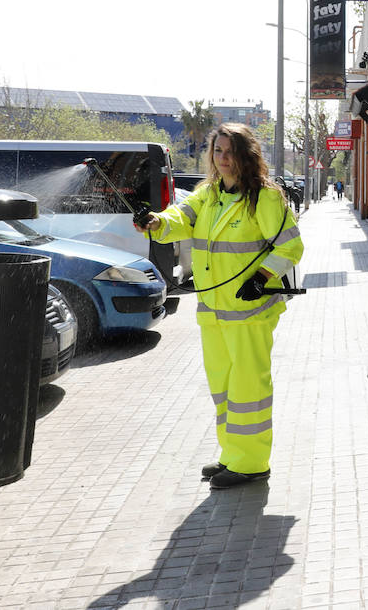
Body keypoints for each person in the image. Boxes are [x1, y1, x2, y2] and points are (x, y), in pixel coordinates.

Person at [136, 123, 303, 489]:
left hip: (249, 311)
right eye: (217, 151)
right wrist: (156, 222)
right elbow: (180, 218)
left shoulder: (264, 198)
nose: (223, 159)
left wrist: (261, 277)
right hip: (213, 311)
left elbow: (290, 247)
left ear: (246, 155)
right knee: (224, 388)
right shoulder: (207, 195)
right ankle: (232, 455)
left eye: (230, 151)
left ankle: (251, 462)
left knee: (249, 389)